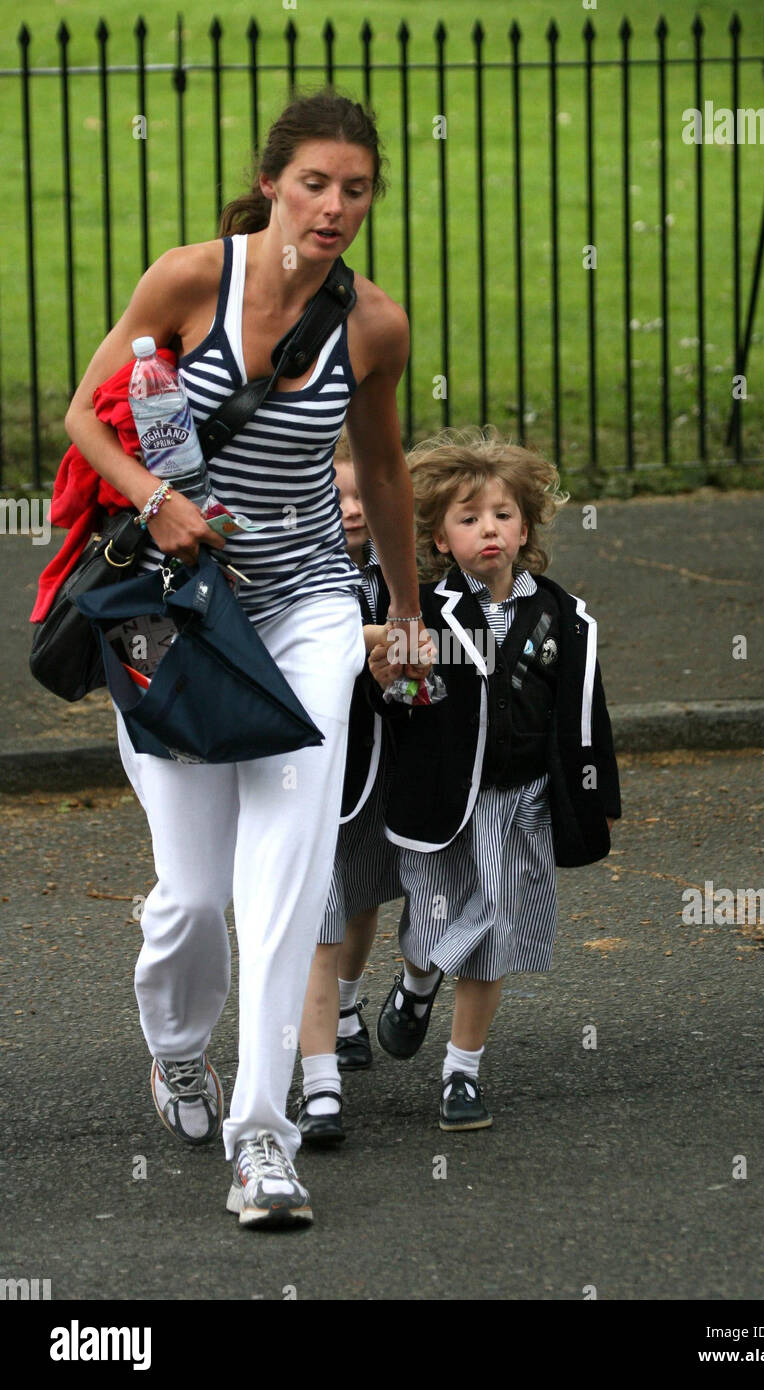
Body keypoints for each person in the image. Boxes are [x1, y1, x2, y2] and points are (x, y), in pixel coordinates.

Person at [63, 89, 430, 1228]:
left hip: (307, 609)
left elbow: (388, 470)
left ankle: (264, 1141)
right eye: (315, 183)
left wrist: (406, 611)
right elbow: (86, 416)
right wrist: (158, 497)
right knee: (191, 893)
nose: (334, 206)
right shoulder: (186, 280)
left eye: (355, 189)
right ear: (272, 182)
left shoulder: (371, 326)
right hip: (174, 611)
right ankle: (176, 1046)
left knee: (283, 882)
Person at [368, 428, 621, 1130]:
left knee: (495, 933)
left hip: (522, 800)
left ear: (526, 527)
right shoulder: (418, 611)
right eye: (469, 517)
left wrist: (598, 797)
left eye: (503, 515)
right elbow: (387, 704)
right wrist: (389, 679)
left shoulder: (563, 618)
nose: (489, 530)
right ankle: (417, 980)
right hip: (441, 802)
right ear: (440, 539)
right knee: (434, 924)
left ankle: (461, 1075)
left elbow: (584, 714)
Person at [295, 436, 408, 1145]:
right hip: (306, 768)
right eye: (333, 498)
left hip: (377, 761)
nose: (351, 510)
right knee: (316, 919)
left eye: (362, 495)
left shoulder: (403, 577)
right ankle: (320, 1086)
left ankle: (344, 1006)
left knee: (363, 895)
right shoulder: (300, 578)